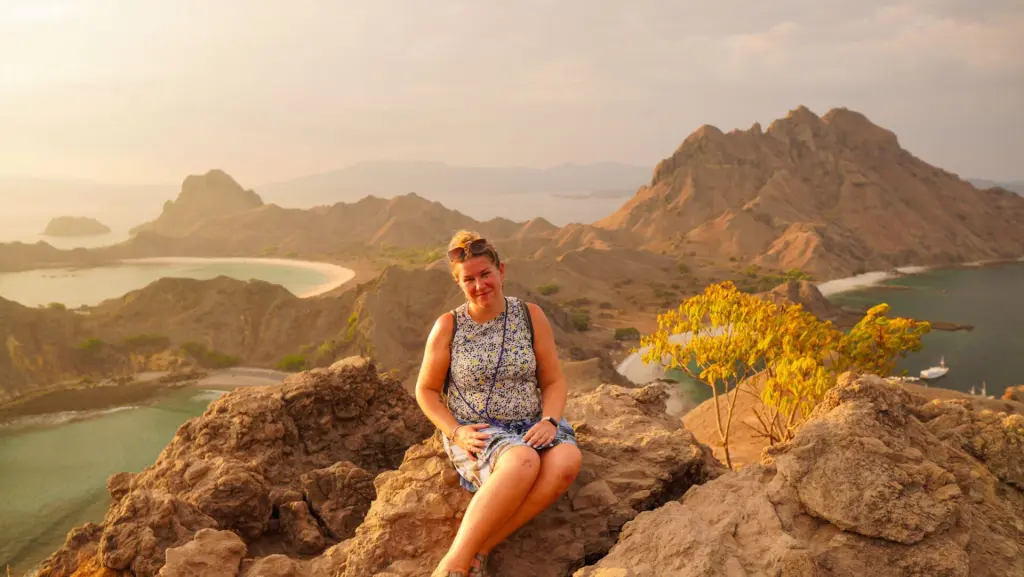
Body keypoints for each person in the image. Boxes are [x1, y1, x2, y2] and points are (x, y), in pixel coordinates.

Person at [415, 230, 583, 577]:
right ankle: (454, 563)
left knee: (567, 460)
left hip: (532, 423)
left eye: (485, 274)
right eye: (469, 279)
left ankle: (486, 546)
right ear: (459, 283)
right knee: (523, 462)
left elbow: (553, 381)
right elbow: (426, 391)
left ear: (501, 271)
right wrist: (456, 432)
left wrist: (550, 421)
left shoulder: (529, 315)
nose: (479, 285)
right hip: (479, 429)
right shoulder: (449, 326)